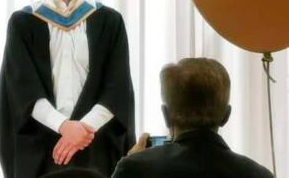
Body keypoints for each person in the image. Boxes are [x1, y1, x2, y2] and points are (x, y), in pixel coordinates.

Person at [0, 0, 135, 178]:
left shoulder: (109, 21)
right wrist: (63, 126)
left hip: (95, 142)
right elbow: (22, 89)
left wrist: (82, 130)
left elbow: (117, 87)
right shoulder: (23, 22)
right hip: (42, 146)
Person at [111, 58, 273, 178]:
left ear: (166, 116)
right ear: (226, 115)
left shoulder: (135, 169)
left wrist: (132, 162)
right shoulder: (260, 175)